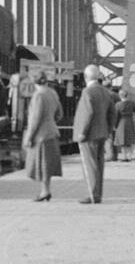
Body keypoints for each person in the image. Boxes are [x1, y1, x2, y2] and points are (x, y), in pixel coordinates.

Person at [72, 64, 115, 205]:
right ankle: (98, 194)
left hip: (89, 135)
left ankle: (92, 194)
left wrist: (82, 133)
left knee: (89, 165)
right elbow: (112, 113)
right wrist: (108, 129)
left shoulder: (87, 92)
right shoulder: (105, 92)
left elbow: (87, 113)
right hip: (102, 133)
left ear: (86, 77)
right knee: (99, 164)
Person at [22, 71, 63, 201]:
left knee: (41, 164)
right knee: (47, 164)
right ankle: (46, 190)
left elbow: (35, 119)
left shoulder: (38, 95)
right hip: (52, 132)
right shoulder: (53, 93)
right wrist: (51, 122)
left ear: (34, 82)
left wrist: (29, 137)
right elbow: (59, 114)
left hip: (40, 135)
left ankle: (44, 191)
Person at [114, 88, 135, 162]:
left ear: (120, 96)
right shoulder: (132, 103)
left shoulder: (118, 105)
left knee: (122, 141)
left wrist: (115, 125)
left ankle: (125, 156)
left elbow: (116, 116)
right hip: (130, 121)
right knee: (130, 139)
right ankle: (130, 156)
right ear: (127, 95)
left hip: (121, 123)